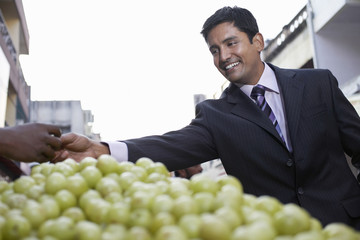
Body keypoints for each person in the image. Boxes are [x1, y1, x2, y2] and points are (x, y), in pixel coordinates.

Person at [55, 6, 360, 229]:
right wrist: (103, 151)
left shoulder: (318, 83)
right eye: (214, 50)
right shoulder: (215, 115)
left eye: (231, 43)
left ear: (257, 41)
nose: (223, 57)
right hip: (274, 232)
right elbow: (169, 146)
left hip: (348, 224)